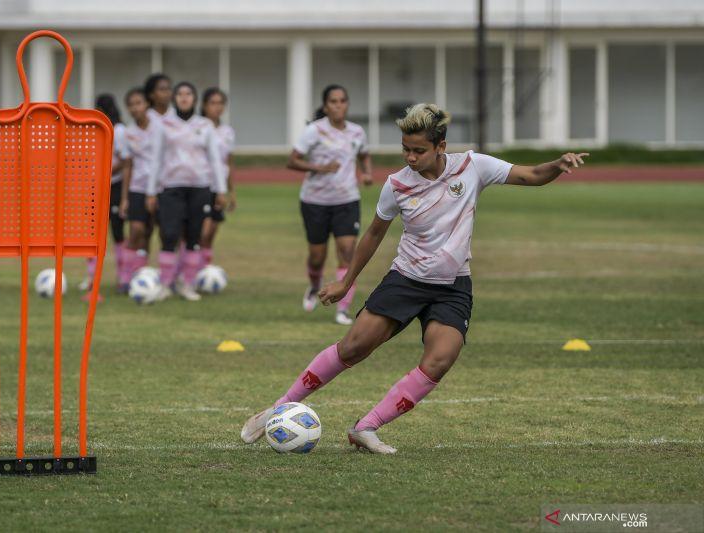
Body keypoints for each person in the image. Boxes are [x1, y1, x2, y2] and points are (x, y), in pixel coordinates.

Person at [241, 103, 589, 454]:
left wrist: (557, 165)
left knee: (440, 358)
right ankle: (280, 407)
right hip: (405, 280)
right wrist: (347, 282)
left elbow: (531, 175)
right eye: (405, 149)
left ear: (441, 146)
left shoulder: (472, 166)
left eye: (418, 150)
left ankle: (365, 428)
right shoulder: (396, 185)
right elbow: (374, 234)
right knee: (354, 347)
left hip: (453, 287)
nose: (410, 157)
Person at [288, 84, 373, 326]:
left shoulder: (357, 132)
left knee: (347, 251)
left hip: (347, 200)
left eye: (342, 101)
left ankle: (342, 309)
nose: (338, 105)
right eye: (333, 101)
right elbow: (292, 161)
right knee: (317, 257)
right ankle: (314, 286)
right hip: (315, 201)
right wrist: (319, 168)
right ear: (325, 106)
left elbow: (364, 154)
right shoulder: (313, 131)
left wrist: (366, 173)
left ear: (347, 104)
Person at [146, 82, 228, 301]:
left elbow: (215, 159)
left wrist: (220, 189)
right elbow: (156, 159)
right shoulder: (164, 124)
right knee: (170, 234)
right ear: (174, 98)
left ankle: (187, 283)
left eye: (188, 94)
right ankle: (165, 283)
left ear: (194, 99)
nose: (184, 98)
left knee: (194, 236)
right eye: (180, 94)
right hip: (171, 187)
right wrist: (151, 191)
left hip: (200, 187)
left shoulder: (205, 125)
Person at [80, 93, 131, 298]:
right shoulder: (95, 130)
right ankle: (93, 278)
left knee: (118, 233)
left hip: (114, 188)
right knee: (91, 236)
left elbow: (124, 161)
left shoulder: (118, 131)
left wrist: (104, 171)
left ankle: (123, 277)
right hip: (94, 188)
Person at [118, 88, 164, 288]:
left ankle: (144, 274)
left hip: (160, 186)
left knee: (151, 231)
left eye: (139, 103)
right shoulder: (129, 132)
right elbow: (128, 165)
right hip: (137, 187)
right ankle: (127, 276)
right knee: (136, 229)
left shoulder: (160, 128)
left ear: (147, 104)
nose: (135, 107)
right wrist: (125, 198)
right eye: (131, 104)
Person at [199, 87, 236, 268]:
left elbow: (228, 162)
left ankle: (204, 271)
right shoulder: (198, 127)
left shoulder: (227, 131)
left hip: (219, 188)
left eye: (220, 103)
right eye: (213, 103)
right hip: (202, 185)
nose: (217, 107)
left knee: (211, 233)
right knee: (201, 233)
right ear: (204, 106)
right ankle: (191, 270)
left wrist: (232, 191)